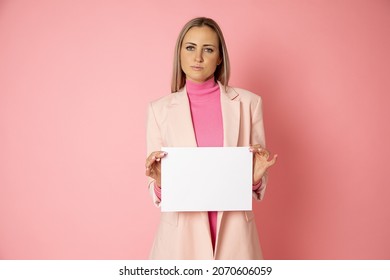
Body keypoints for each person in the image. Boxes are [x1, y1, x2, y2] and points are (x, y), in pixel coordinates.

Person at [145, 17, 277, 260]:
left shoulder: (249, 104)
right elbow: (158, 193)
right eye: (190, 48)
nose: (198, 57)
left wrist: (255, 178)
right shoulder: (159, 110)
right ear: (180, 54)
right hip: (179, 240)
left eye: (208, 49)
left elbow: (256, 184)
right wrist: (162, 183)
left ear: (219, 58)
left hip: (235, 236)